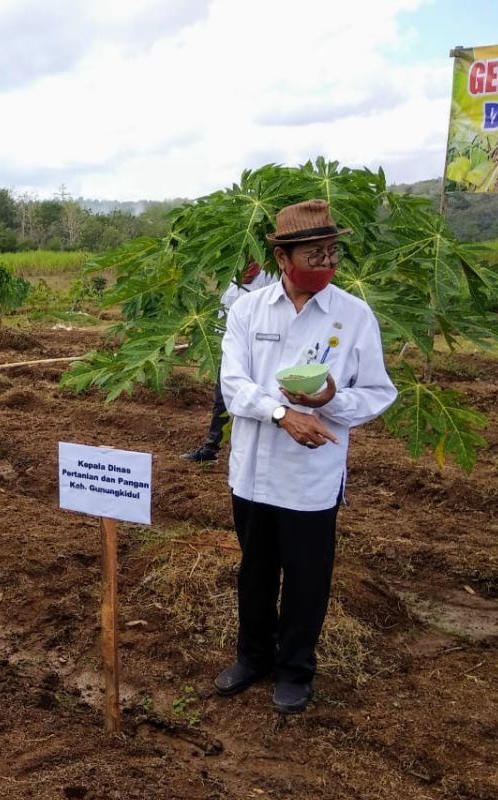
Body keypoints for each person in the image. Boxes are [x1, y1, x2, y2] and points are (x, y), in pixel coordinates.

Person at [213, 199, 396, 714]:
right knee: (255, 570)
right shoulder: (248, 309)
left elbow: (379, 392)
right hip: (252, 472)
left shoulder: (353, 316)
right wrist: (280, 413)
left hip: (313, 476)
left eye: (331, 253)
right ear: (282, 259)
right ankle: (253, 657)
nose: (325, 264)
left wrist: (330, 400)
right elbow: (233, 385)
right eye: (313, 255)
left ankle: (296, 669)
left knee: (307, 577)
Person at [180, 261, 277, 462]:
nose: (248, 267)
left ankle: (256, 455)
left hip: (261, 354)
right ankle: (211, 449)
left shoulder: (271, 278)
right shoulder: (232, 284)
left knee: (261, 403)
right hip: (231, 351)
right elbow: (221, 320)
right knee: (223, 400)